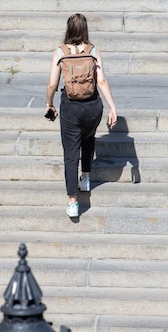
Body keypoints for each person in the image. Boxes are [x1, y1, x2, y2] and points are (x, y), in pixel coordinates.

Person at [45, 13, 117, 218]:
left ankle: (73, 202)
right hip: (93, 106)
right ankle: (85, 178)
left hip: (71, 107)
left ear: (68, 29)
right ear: (85, 29)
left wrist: (49, 104)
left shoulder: (60, 52)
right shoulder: (93, 51)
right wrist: (112, 107)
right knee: (88, 139)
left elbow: (52, 83)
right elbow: (101, 81)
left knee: (70, 154)